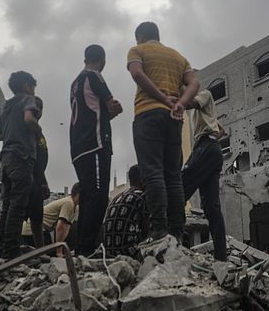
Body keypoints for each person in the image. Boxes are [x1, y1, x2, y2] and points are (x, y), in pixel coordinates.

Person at [127, 21, 199, 240]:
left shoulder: (137, 50)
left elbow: (137, 74)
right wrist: (180, 104)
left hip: (148, 114)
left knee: (153, 173)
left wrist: (163, 98)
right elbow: (195, 83)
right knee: (173, 176)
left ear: (140, 36)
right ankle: (177, 231)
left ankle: (159, 230)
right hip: (173, 119)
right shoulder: (178, 57)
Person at [70, 45, 123, 256]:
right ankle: (86, 249)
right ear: (102, 59)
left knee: (88, 196)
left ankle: (81, 249)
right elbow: (112, 105)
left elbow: (90, 112)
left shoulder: (75, 83)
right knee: (99, 197)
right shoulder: (94, 75)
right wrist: (114, 109)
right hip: (95, 144)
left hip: (78, 147)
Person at [0, 71, 41, 259]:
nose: (34, 91)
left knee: (6, 204)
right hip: (21, 157)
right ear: (27, 86)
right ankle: (11, 250)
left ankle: (1, 246)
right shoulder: (27, 99)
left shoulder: (6, 107)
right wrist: (37, 129)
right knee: (18, 204)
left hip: (6, 158)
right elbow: (29, 119)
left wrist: (12, 132)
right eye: (33, 87)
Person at [182, 88, 227, 260]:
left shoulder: (205, 94)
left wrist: (173, 102)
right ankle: (221, 257)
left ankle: (172, 241)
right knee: (211, 208)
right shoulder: (204, 112)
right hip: (210, 149)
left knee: (180, 188)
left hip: (206, 146)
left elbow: (191, 102)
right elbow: (220, 130)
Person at [102, 165, 150, 257]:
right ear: (143, 180)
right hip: (129, 252)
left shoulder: (117, 197)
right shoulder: (142, 197)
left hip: (110, 252)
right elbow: (146, 231)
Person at [25, 97, 52, 246]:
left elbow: (40, 162)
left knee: (37, 218)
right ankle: (9, 250)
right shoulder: (27, 129)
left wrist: (44, 182)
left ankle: (39, 251)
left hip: (37, 180)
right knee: (18, 215)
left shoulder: (39, 132)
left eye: (41, 108)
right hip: (27, 179)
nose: (38, 111)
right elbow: (31, 159)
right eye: (35, 107)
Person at [27, 183, 79, 250]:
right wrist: (58, 250)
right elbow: (60, 228)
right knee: (50, 253)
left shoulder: (75, 206)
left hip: (43, 230)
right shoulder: (69, 202)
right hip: (32, 231)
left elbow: (67, 228)